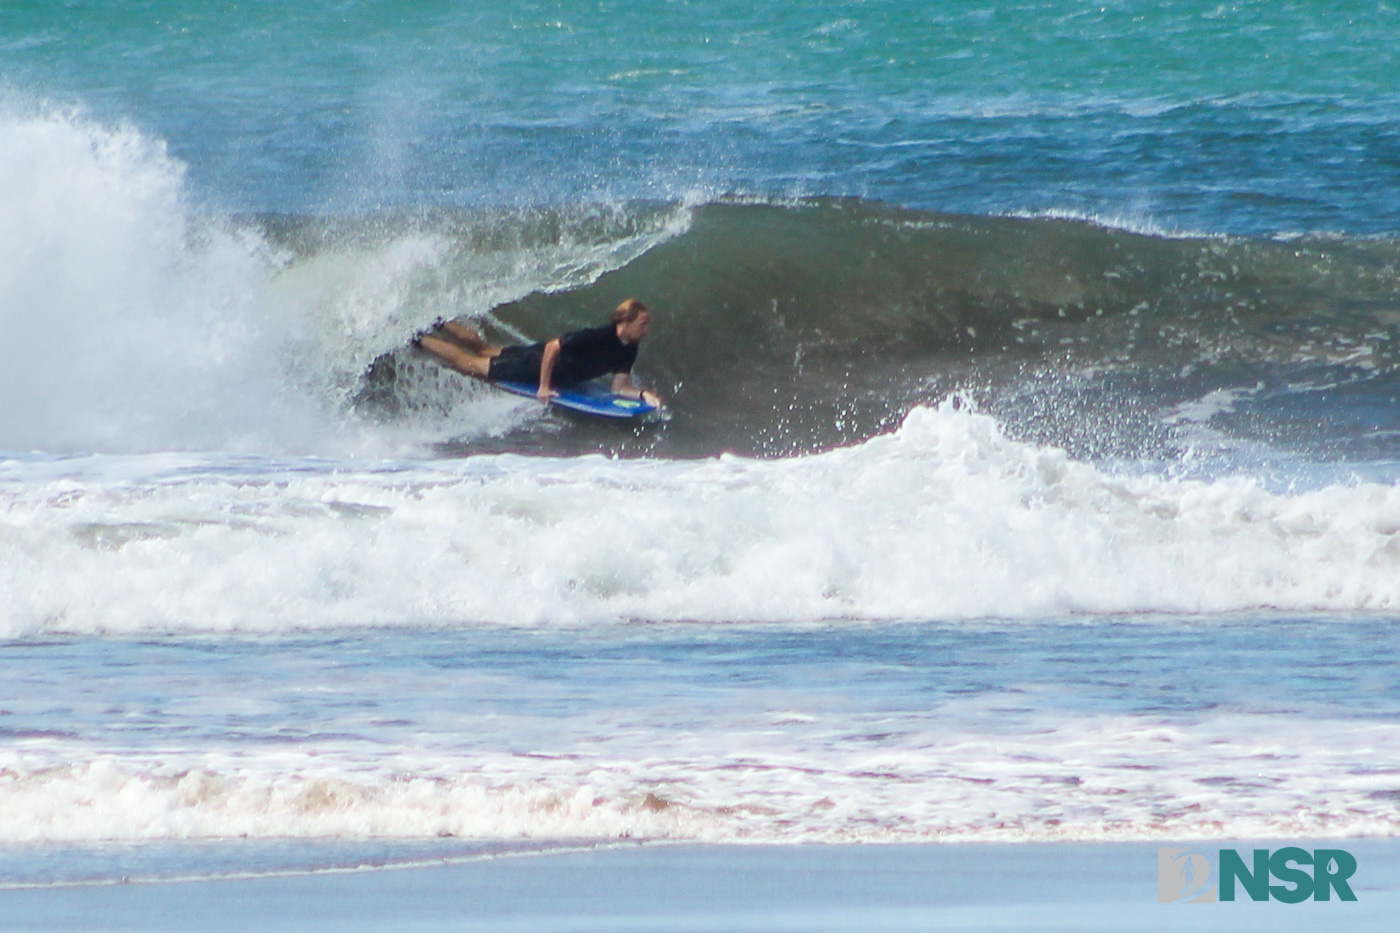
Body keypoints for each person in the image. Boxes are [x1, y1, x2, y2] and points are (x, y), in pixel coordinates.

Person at [415, 299, 661, 406]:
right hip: (534, 364)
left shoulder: (629, 349)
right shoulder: (600, 335)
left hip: (536, 357)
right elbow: (554, 347)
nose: (647, 329)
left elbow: (619, 387)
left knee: (485, 349)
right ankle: (418, 337)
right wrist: (544, 386)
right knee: (468, 362)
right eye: (643, 324)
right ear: (625, 323)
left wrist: (643, 394)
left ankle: (438, 323)